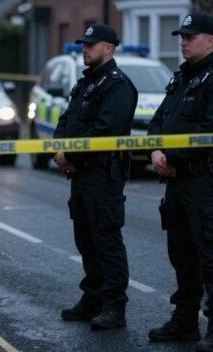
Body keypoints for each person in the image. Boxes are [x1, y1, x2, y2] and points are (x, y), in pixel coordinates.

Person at [147, 12, 213, 352]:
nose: (183, 41)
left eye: (190, 36)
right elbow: (157, 121)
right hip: (177, 184)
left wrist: (170, 157)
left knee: (212, 258)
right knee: (181, 255)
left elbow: (212, 132)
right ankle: (185, 321)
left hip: (205, 184)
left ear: (211, 41)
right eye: (181, 36)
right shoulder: (180, 80)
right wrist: (156, 151)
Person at [54, 24, 138, 330]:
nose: (84, 49)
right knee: (86, 240)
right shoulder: (86, 84)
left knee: (107, 241)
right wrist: (60, 150)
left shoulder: (117, 86)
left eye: (91, 44)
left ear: (109, 48)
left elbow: (106, 130)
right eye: (83, 45)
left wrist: (71, 155)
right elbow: (66, 120)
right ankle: (92, 298)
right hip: (81, 175)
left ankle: (115, 306)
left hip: (104, 174)